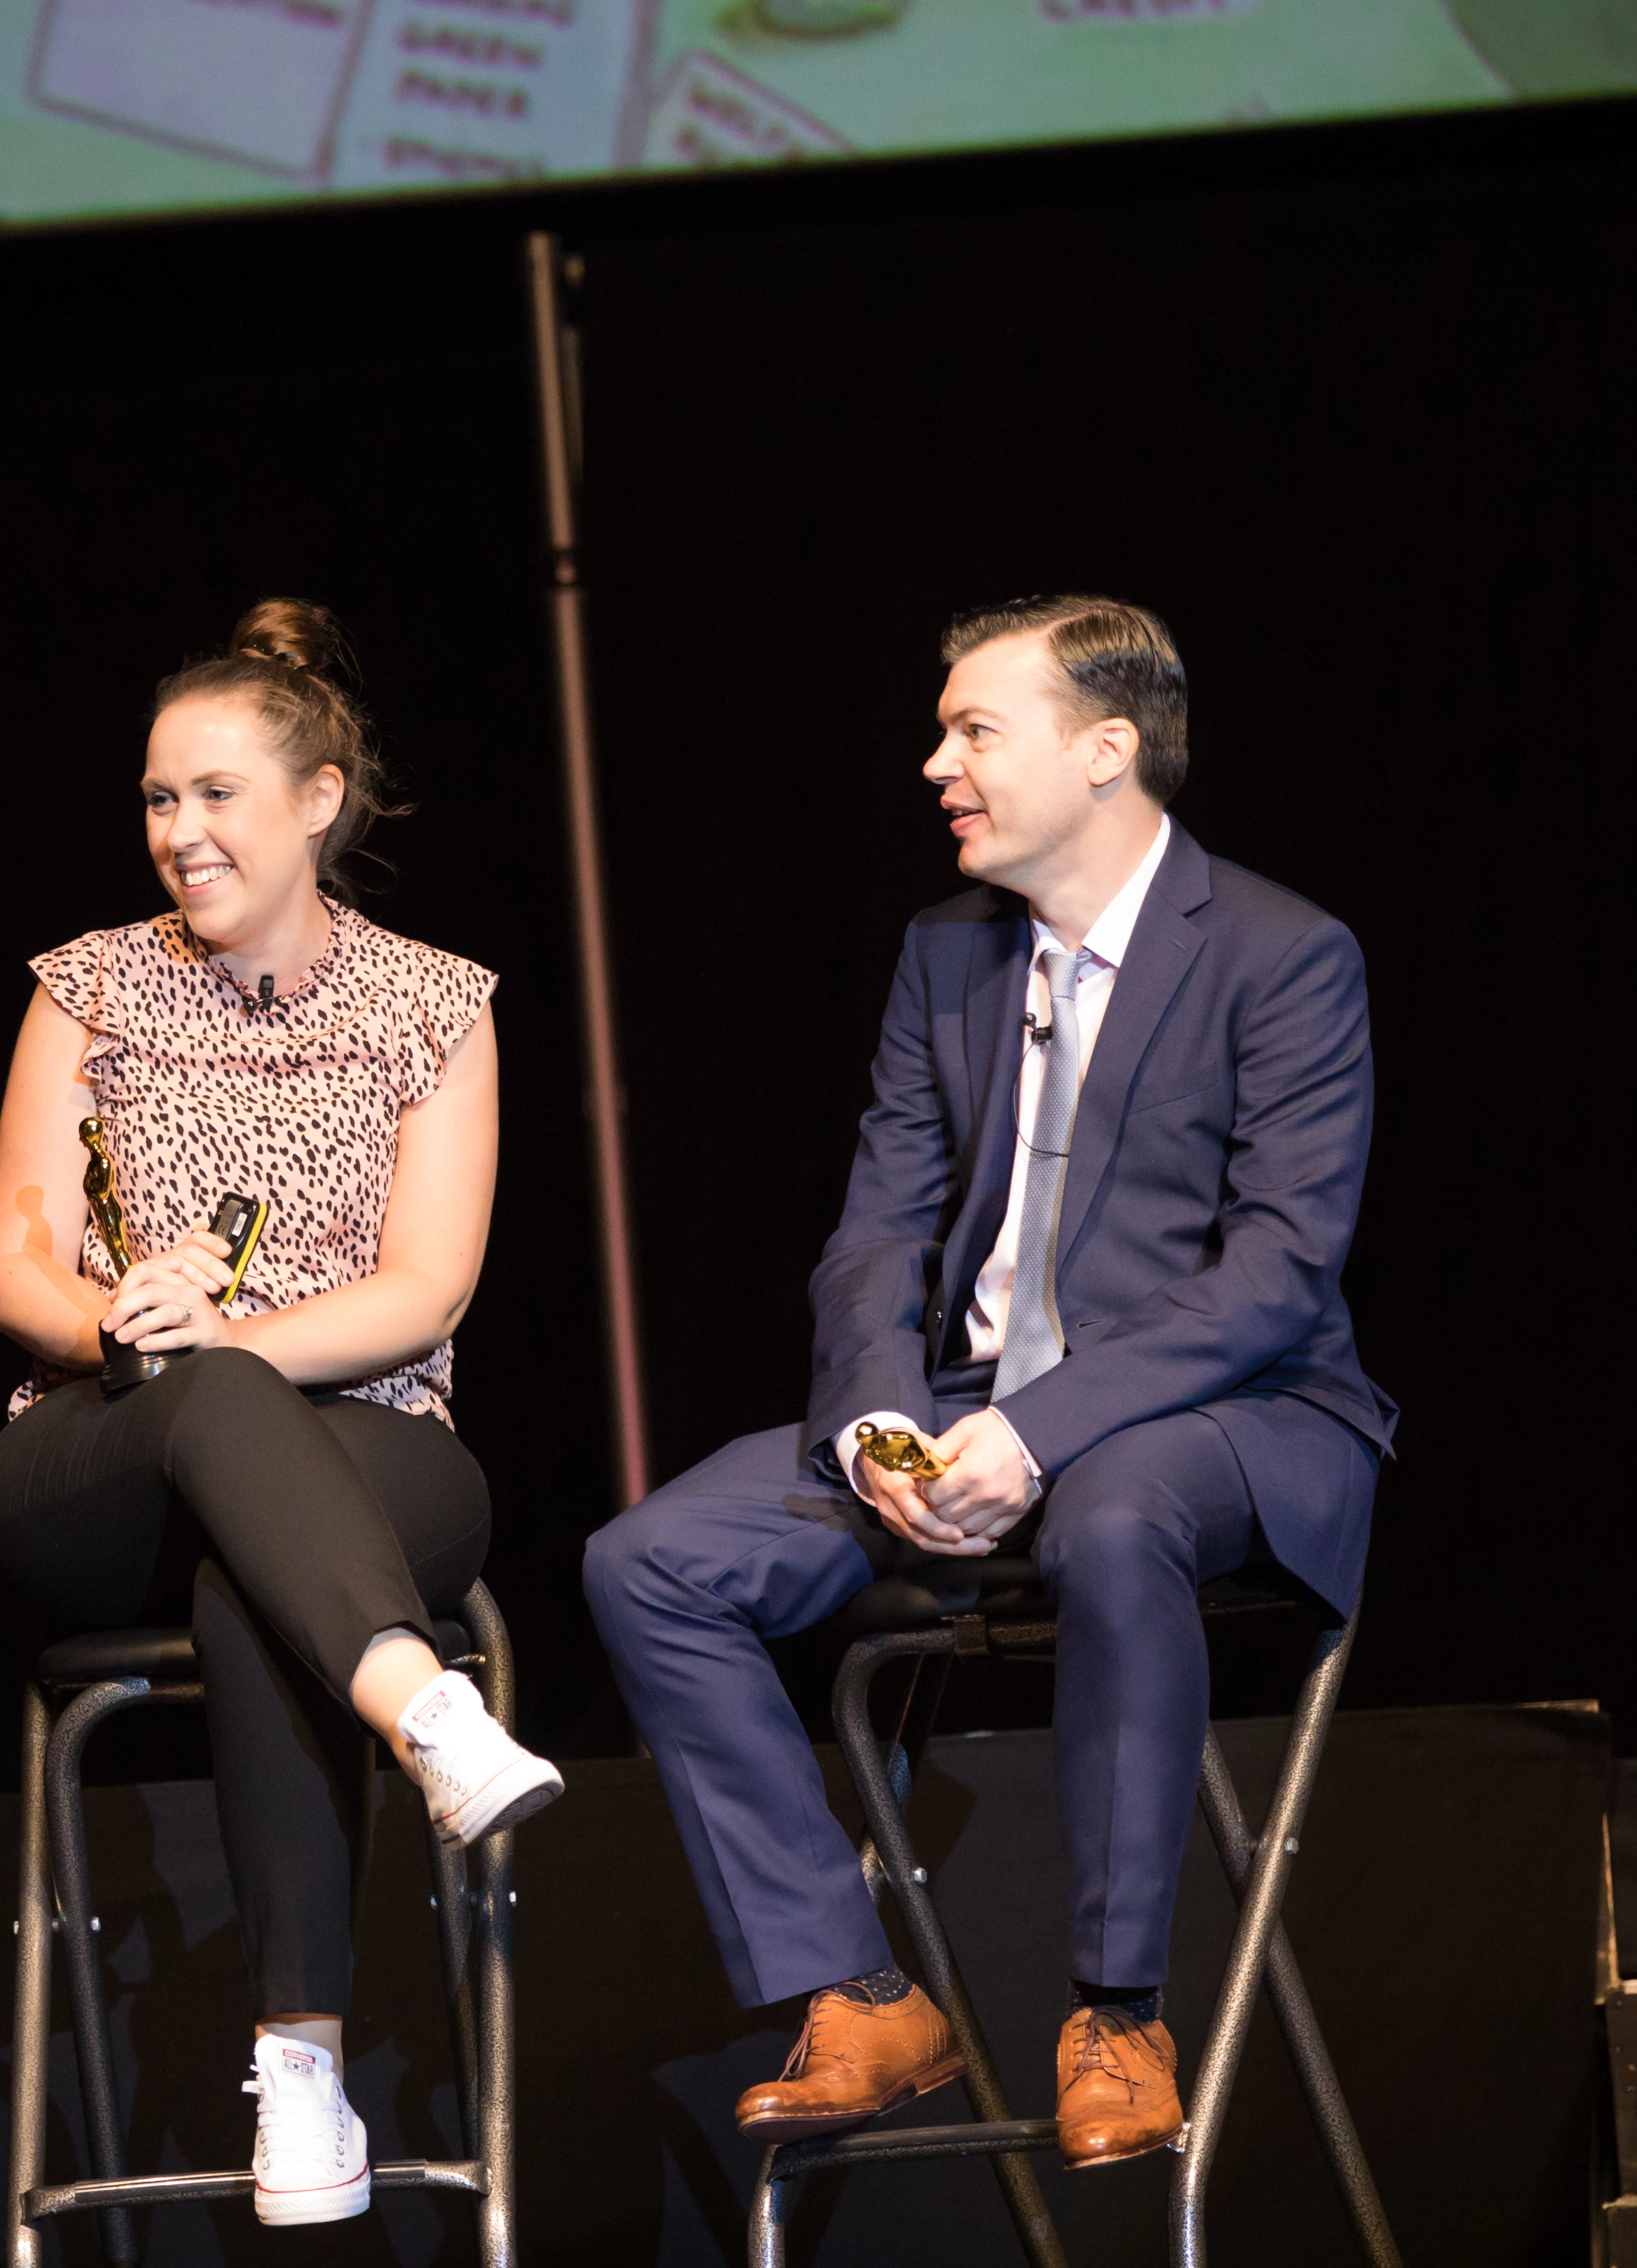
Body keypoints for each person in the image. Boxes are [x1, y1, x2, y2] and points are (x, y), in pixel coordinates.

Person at [583, 597, 1388, 2170]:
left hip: (1231, 1416)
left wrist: (1041, 1428)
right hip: (963, 1404)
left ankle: (1117, 2010)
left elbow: (1280, 1270)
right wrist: (888, 1426)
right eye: (943, 730)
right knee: (652, 1560)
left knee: (1113, 1513)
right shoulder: (944, 956)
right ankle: (861, 1993)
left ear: (1105, 752)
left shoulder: (1285, 956)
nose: (934, 762)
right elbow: (878, 1230)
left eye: (975, 731)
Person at [0, 600, 567, 2229]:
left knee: (265, 1562)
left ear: (317, 801)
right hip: (102, 1456)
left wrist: (235, 1338)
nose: (180, 833)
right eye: (161, 800)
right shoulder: (89, 988)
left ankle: (299, 2076)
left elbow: (428, 1290)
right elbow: (12, 1249)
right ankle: (422, 1707)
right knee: (209, 1415)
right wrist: (110, 1316)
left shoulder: (435, 1005)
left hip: (370, 1447)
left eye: (218, 795)